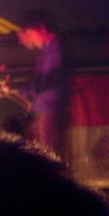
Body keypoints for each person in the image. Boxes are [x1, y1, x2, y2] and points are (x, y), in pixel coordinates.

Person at [14, 9, 65, 157]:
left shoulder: (55, 49)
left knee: (48, 155)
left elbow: (46, 85)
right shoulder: (46, 52)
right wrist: (12, 89)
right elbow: (39, 87)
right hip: (43, 111)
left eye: (27, 32)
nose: (23, 40)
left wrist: (16, 89)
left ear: (41, 28)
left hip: (48, 111)